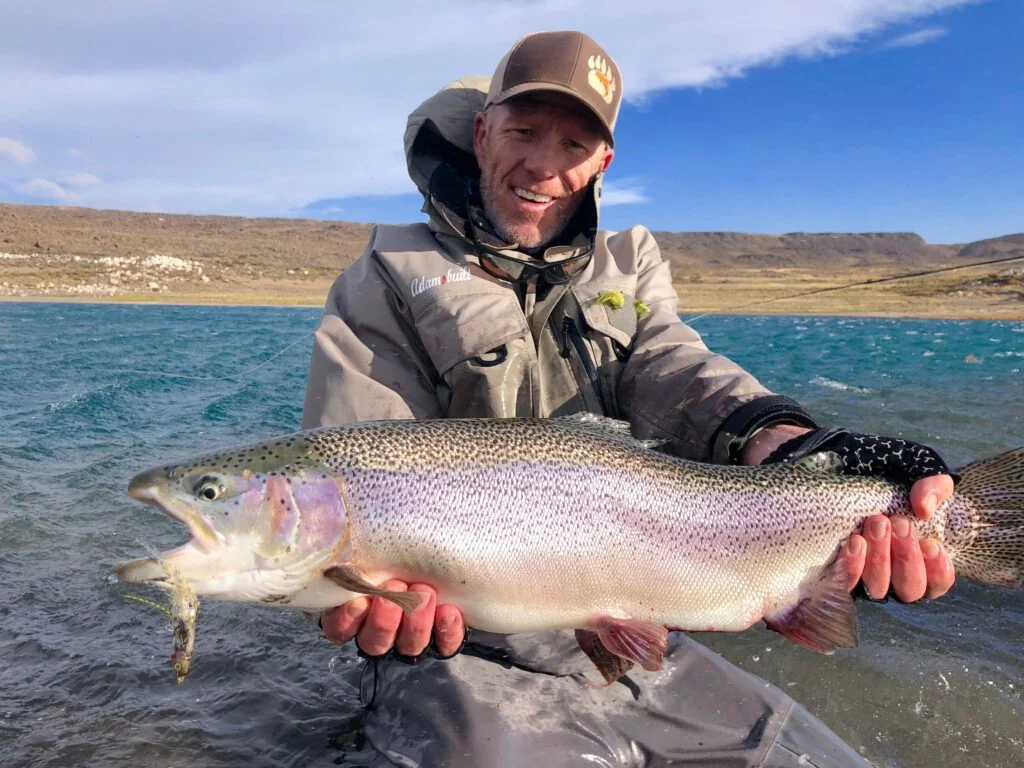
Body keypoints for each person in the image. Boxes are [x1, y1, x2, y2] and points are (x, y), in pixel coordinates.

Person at [301, 30, 956, 767]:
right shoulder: (383, 279)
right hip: (451, 640)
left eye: (573, 144)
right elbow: (360, 462)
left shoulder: (629, 264)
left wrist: (792, 444)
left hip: (631, 618)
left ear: (601, 162)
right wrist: (354, 581)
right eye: (523, 132)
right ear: (482, 134)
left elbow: (675, 367)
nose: (543, 165)